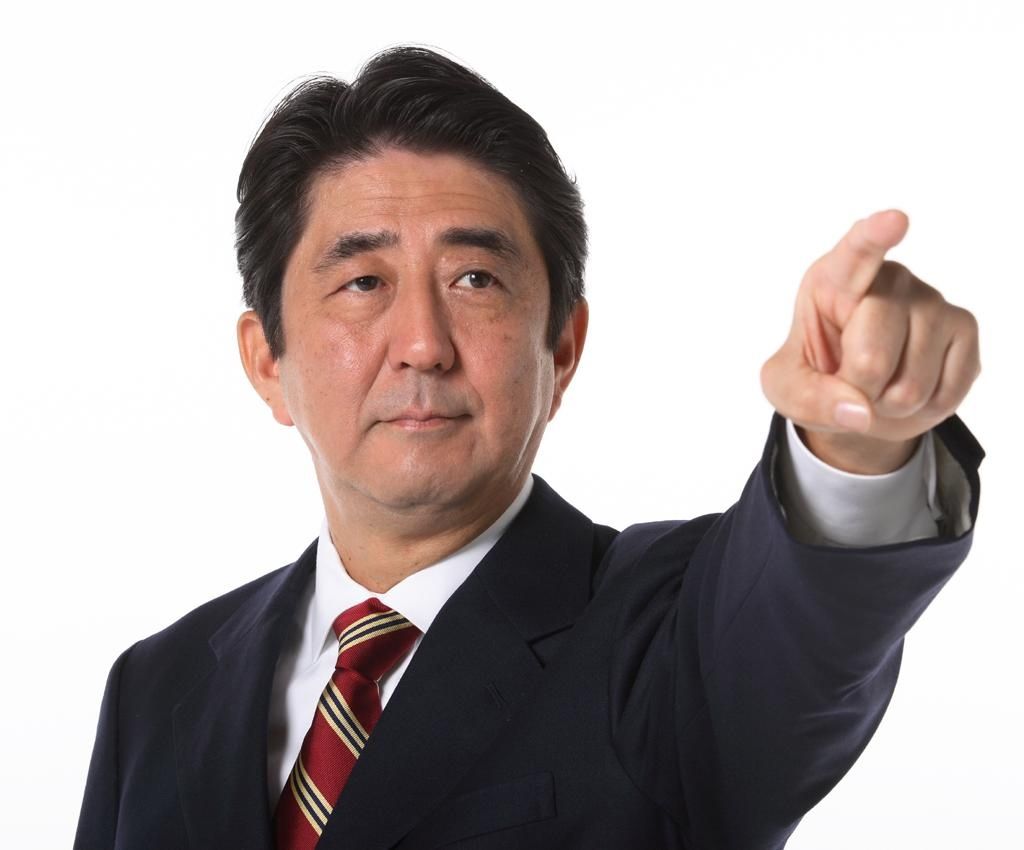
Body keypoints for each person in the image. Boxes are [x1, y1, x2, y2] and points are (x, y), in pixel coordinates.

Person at [74, 46, 983, 850]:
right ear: (267, 361)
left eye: (475, 278)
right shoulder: (158, 689)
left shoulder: (665, 643)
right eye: (363, 282)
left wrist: (854, 438)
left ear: (563, 349)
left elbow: (795, 615)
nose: (422, 343)